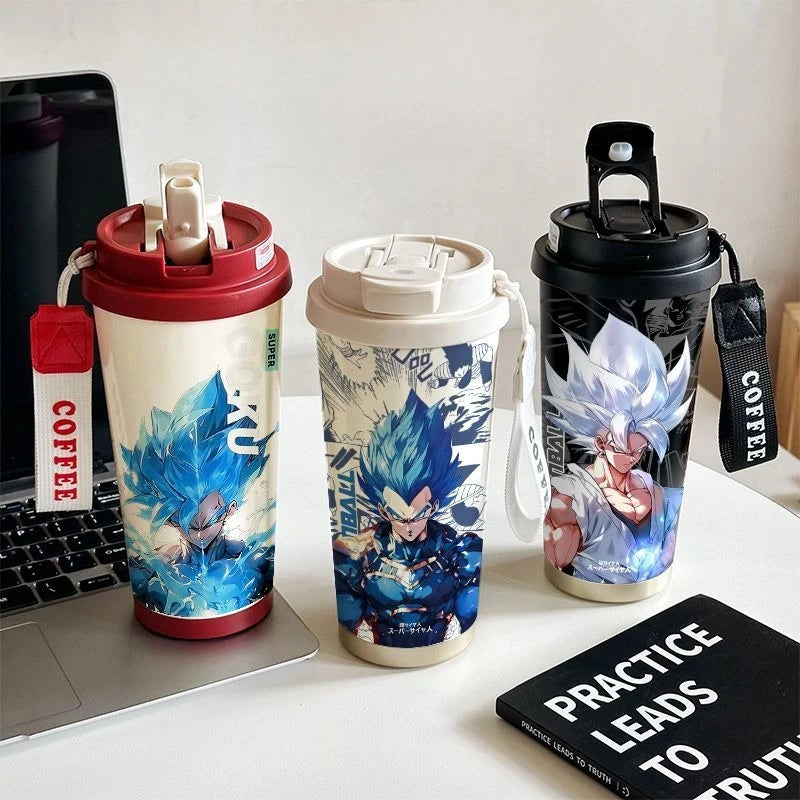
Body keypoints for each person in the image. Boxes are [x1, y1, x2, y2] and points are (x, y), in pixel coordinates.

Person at [543, 315, 691, 583]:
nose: (632, 458)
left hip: (653, 595)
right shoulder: (571, 495)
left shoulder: (658, 493)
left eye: (640, 450)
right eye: (624, 449)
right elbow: (558, 560)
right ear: (601, 444)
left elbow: (665, 551)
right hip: (579, 597)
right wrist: (563, 529)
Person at [333, 391, 481, 647]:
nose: (409, 526)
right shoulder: (358, 550)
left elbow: (469, 596)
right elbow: (348, 604)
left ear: (433, 507)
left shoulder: (457, 549)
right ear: (383, 511)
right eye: (399, 517)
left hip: (445, 641)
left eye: (418, 514)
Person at [120, 371, 275, 616]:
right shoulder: (156, 566)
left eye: (206, 523)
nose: (199, 535)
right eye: (188, 525)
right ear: (171, 520)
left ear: (230, 510)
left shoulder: (251, 558)